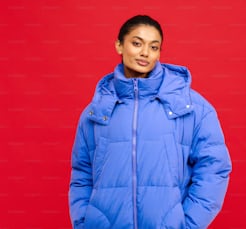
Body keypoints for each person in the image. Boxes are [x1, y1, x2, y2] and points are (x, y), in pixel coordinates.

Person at [69, 15, 232, 229]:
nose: (145, 53)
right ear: (119, 45)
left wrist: (188, 224)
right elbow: (82, 173)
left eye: (154, 47)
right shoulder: (97, 111)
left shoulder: (192, 106)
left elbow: (214, 168)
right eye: (137, 43)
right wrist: (84, 223)